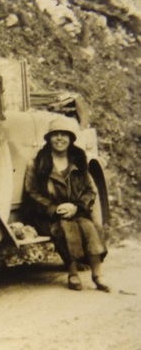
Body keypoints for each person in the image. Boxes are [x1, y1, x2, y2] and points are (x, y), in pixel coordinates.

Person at [24, 116, 109, 292]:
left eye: (64, 135)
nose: (60, 139)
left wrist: (76, 207)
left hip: (76, 211)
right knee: (64, 227)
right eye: (55, 135)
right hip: (48, 216)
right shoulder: (37, 164)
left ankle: (97, 275)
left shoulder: (79, 163)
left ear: (71, 139)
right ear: (49, 139)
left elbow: (90, 191)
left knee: (87, 226)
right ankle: (73, 274)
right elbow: (32, 193)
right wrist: (55, 209)